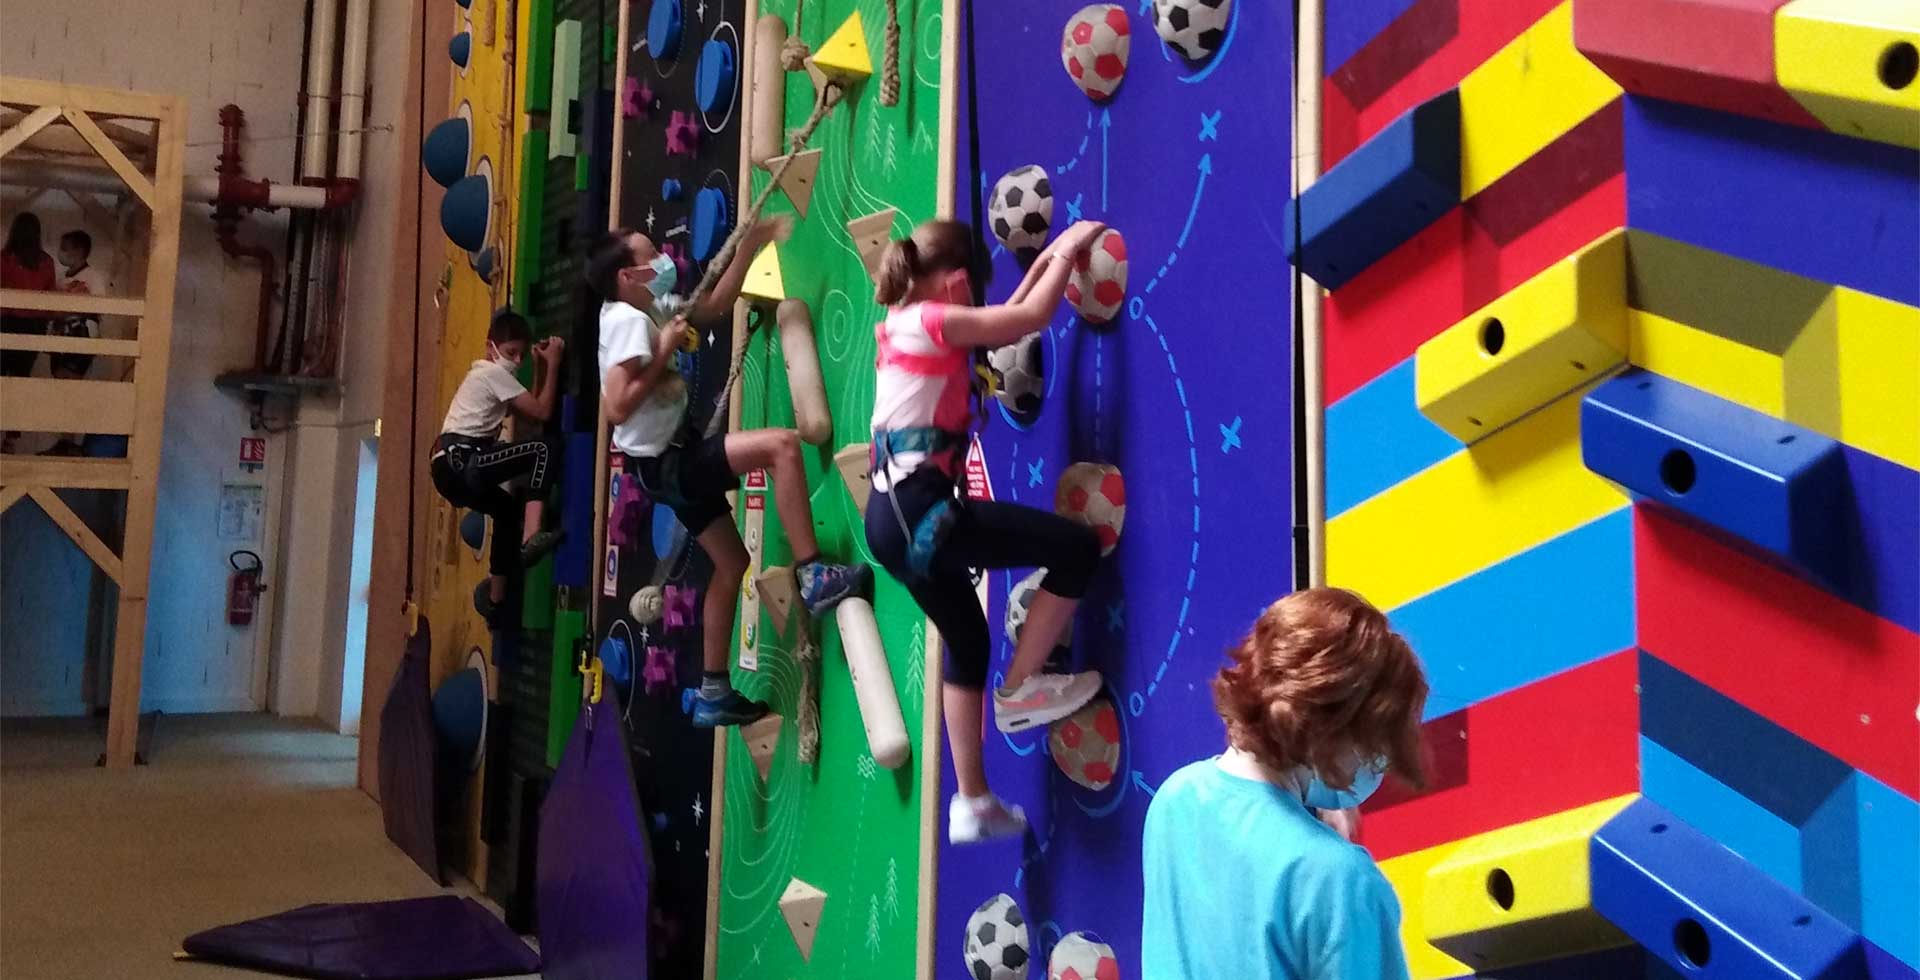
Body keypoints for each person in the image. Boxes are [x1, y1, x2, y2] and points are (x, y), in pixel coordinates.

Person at [862, 218, 1110, 844]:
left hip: (890, 519)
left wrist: (1049, 257)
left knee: (967, 642)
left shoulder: (901, 320)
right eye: (971, 292)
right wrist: (1073, 244)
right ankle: (1023, 687)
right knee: (1075, 550)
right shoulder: (935, 320)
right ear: (956, 283)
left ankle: (971, 801)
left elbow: (1006, 310)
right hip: (924, 512)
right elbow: (1026, 320)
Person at [589, 220, 870, 729]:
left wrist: (747, 248)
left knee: (732, 562)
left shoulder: (646, 308)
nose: (663, 261)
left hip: (663, 463)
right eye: (651, 256)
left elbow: (715, 307)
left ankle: (713, 689)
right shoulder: (625, 323)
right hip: (669, 461)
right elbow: (617, 406)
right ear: (628, 276)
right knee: (783, 447)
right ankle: (813, 573)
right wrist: (664, 354)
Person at [1140, 588, 1430, 980]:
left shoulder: (1175, 798)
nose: (1377, 762)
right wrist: (1319, 848)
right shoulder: (1342, 880)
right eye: (1377, 743)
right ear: (1336, 733)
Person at [430, 309, 564, 625]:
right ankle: (531, 536)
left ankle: (496, 602)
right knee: (544, 448)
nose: (517, 361)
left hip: (449, 471)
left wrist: (539, 368)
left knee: (506, 511)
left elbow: (530, 406)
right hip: (461, 461)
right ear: (490, 348)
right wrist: (554, 363)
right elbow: (543, 412)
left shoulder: (489, 379)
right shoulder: (488, 373)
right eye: (510, 353)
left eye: (521, 355)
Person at [43, 230, 110, 456]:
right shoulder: (62, 280)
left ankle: (71, 441)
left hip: (80, 337)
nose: (61, 252)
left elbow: (99, 309)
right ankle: (64, 439)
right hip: (60, 338)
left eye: (65, 247)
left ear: (79, 250)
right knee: (61, 389)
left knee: (72, 387)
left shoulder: (93, 277)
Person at [2, 213, 59, 453]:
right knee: (21, 379)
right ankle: (10, 439)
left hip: (5, 321)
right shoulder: (46, 262)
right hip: (33, 327)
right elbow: (50, 297)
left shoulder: (5, 259)